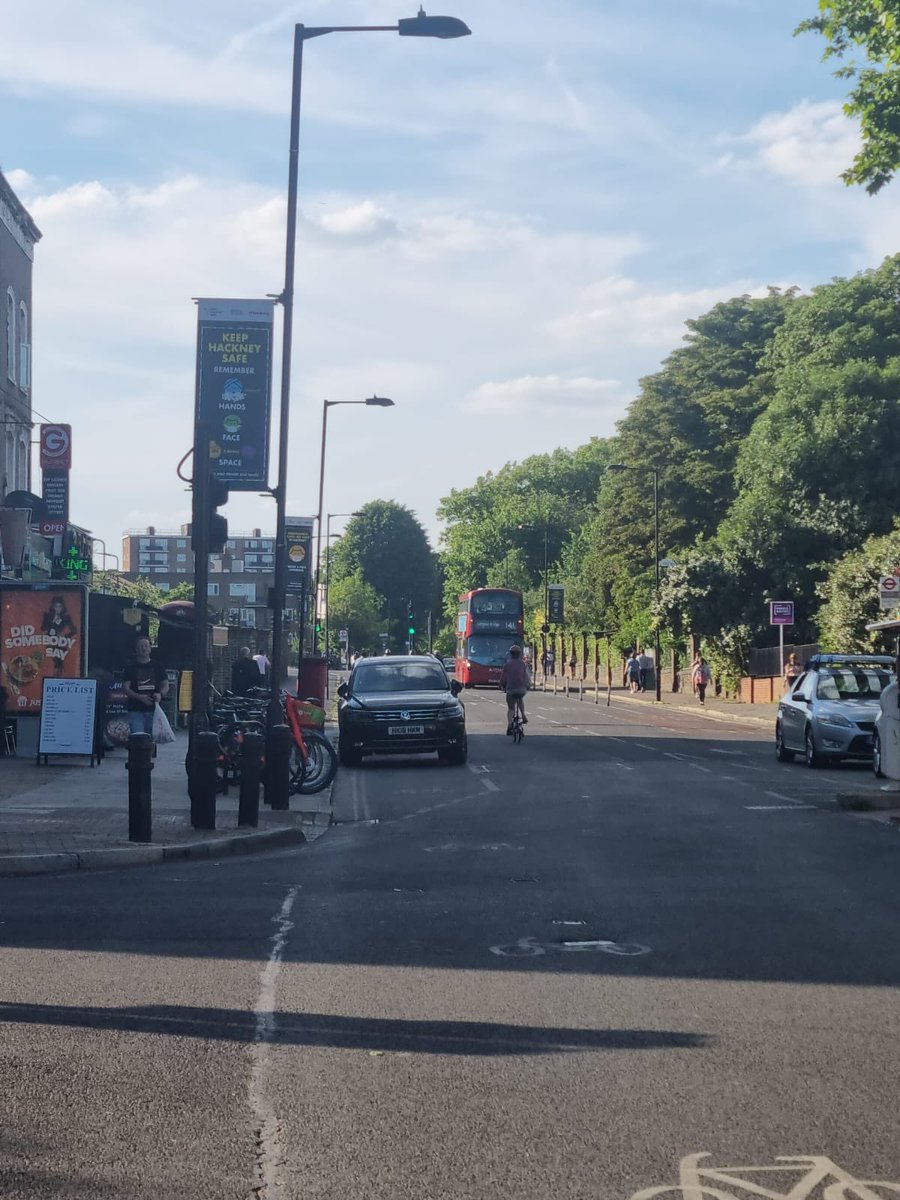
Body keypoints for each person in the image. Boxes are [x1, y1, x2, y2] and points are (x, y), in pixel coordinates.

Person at [122, 636, 169, 736]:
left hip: (154, 710)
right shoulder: (130, 667)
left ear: (150, 648)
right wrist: (139, 697)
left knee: (152, 741)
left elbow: (165, 684)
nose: (144, 648)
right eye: (141, 646)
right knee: (137, 739)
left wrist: (160, 694)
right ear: (136, 649)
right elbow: (126, 688)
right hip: (135, 710)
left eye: (146, 646)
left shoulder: (158, 666)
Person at [499, 644, 530, 735]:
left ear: (511, 654)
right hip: (521, 689)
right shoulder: (523, 664)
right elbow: (526, 676)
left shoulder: (507, 665)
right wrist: (527, 685)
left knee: (511, 708)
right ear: (519, 654)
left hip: (511, 689)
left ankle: (509, 725)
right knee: (520, 698)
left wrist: (500, 685)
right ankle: (523, 715)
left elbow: (503, 678)